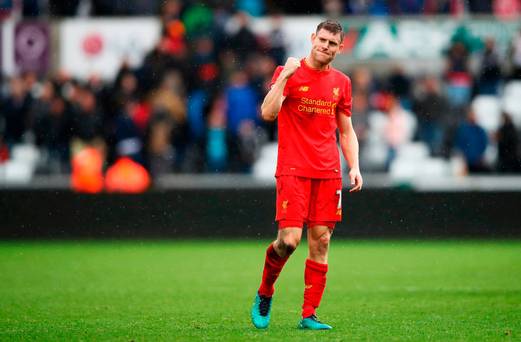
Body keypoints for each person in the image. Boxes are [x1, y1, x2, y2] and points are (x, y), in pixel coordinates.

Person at [250, 19, 363, 330]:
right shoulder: (287, 71)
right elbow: (268, 113)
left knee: (322, 241)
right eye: (321, 39)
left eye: (332, 43)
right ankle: (265, 291)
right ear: (312, 38)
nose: (325, 46)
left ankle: (308, 314)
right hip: (293, 169)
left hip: (328, 171)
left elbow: (346, 130)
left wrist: (353, 165)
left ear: (341, 48)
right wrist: (286, 74)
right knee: (288, 241)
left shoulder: (342, 82)